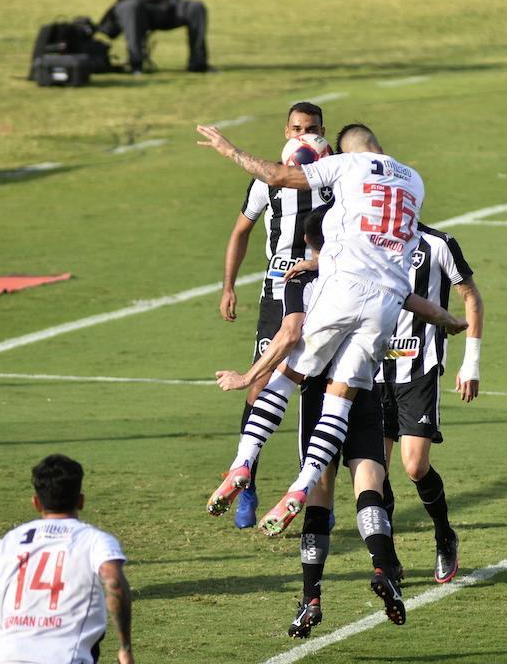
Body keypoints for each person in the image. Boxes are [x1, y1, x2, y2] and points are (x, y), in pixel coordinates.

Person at [215, 208, 463, 636]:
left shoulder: (301, 278)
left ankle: (310, 599)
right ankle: (384, 569)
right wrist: (448, 319)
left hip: (317, 395)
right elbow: (412, 301)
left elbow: (290, 332)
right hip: (363, 391)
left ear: (309, 244)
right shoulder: (370, 269)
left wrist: (249, 375)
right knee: (369, 483)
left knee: (320, 499)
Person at [197, 122, 424, 537]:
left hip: (342, 289)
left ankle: (242, 463)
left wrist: (229, 150)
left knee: (288, 374)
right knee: (341, 396)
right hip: (387, 305)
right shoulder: (414, 179)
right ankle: (302, 487)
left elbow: (280, 176)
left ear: (343, 150)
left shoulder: (347, 164)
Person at [219, 102, 332, 529]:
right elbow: (241, 231)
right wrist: (229, 286)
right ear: (286, 130)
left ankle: (317, 491)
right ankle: (246, 485)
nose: (304, 136)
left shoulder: (336, 176)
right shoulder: (266, 181)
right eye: (297, 128)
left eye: (313, 129)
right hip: (277, 294)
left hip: (326, 294)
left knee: (319, 394)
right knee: (260, 384)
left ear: (325, 133)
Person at [0, 454, 134, 664]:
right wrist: (125, 647)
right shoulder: (95, 541)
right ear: (80, 501)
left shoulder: (10, 541)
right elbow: (114, 582)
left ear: (36, 502)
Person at [377, 223, 484, 584]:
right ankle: (387, 558)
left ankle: (444, 536)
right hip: (371, 370)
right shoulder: (366, 240)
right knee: (375, 471)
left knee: (415, 466)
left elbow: (471, 297)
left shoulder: (438, 244)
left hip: (419, 370)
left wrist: (470, 362)